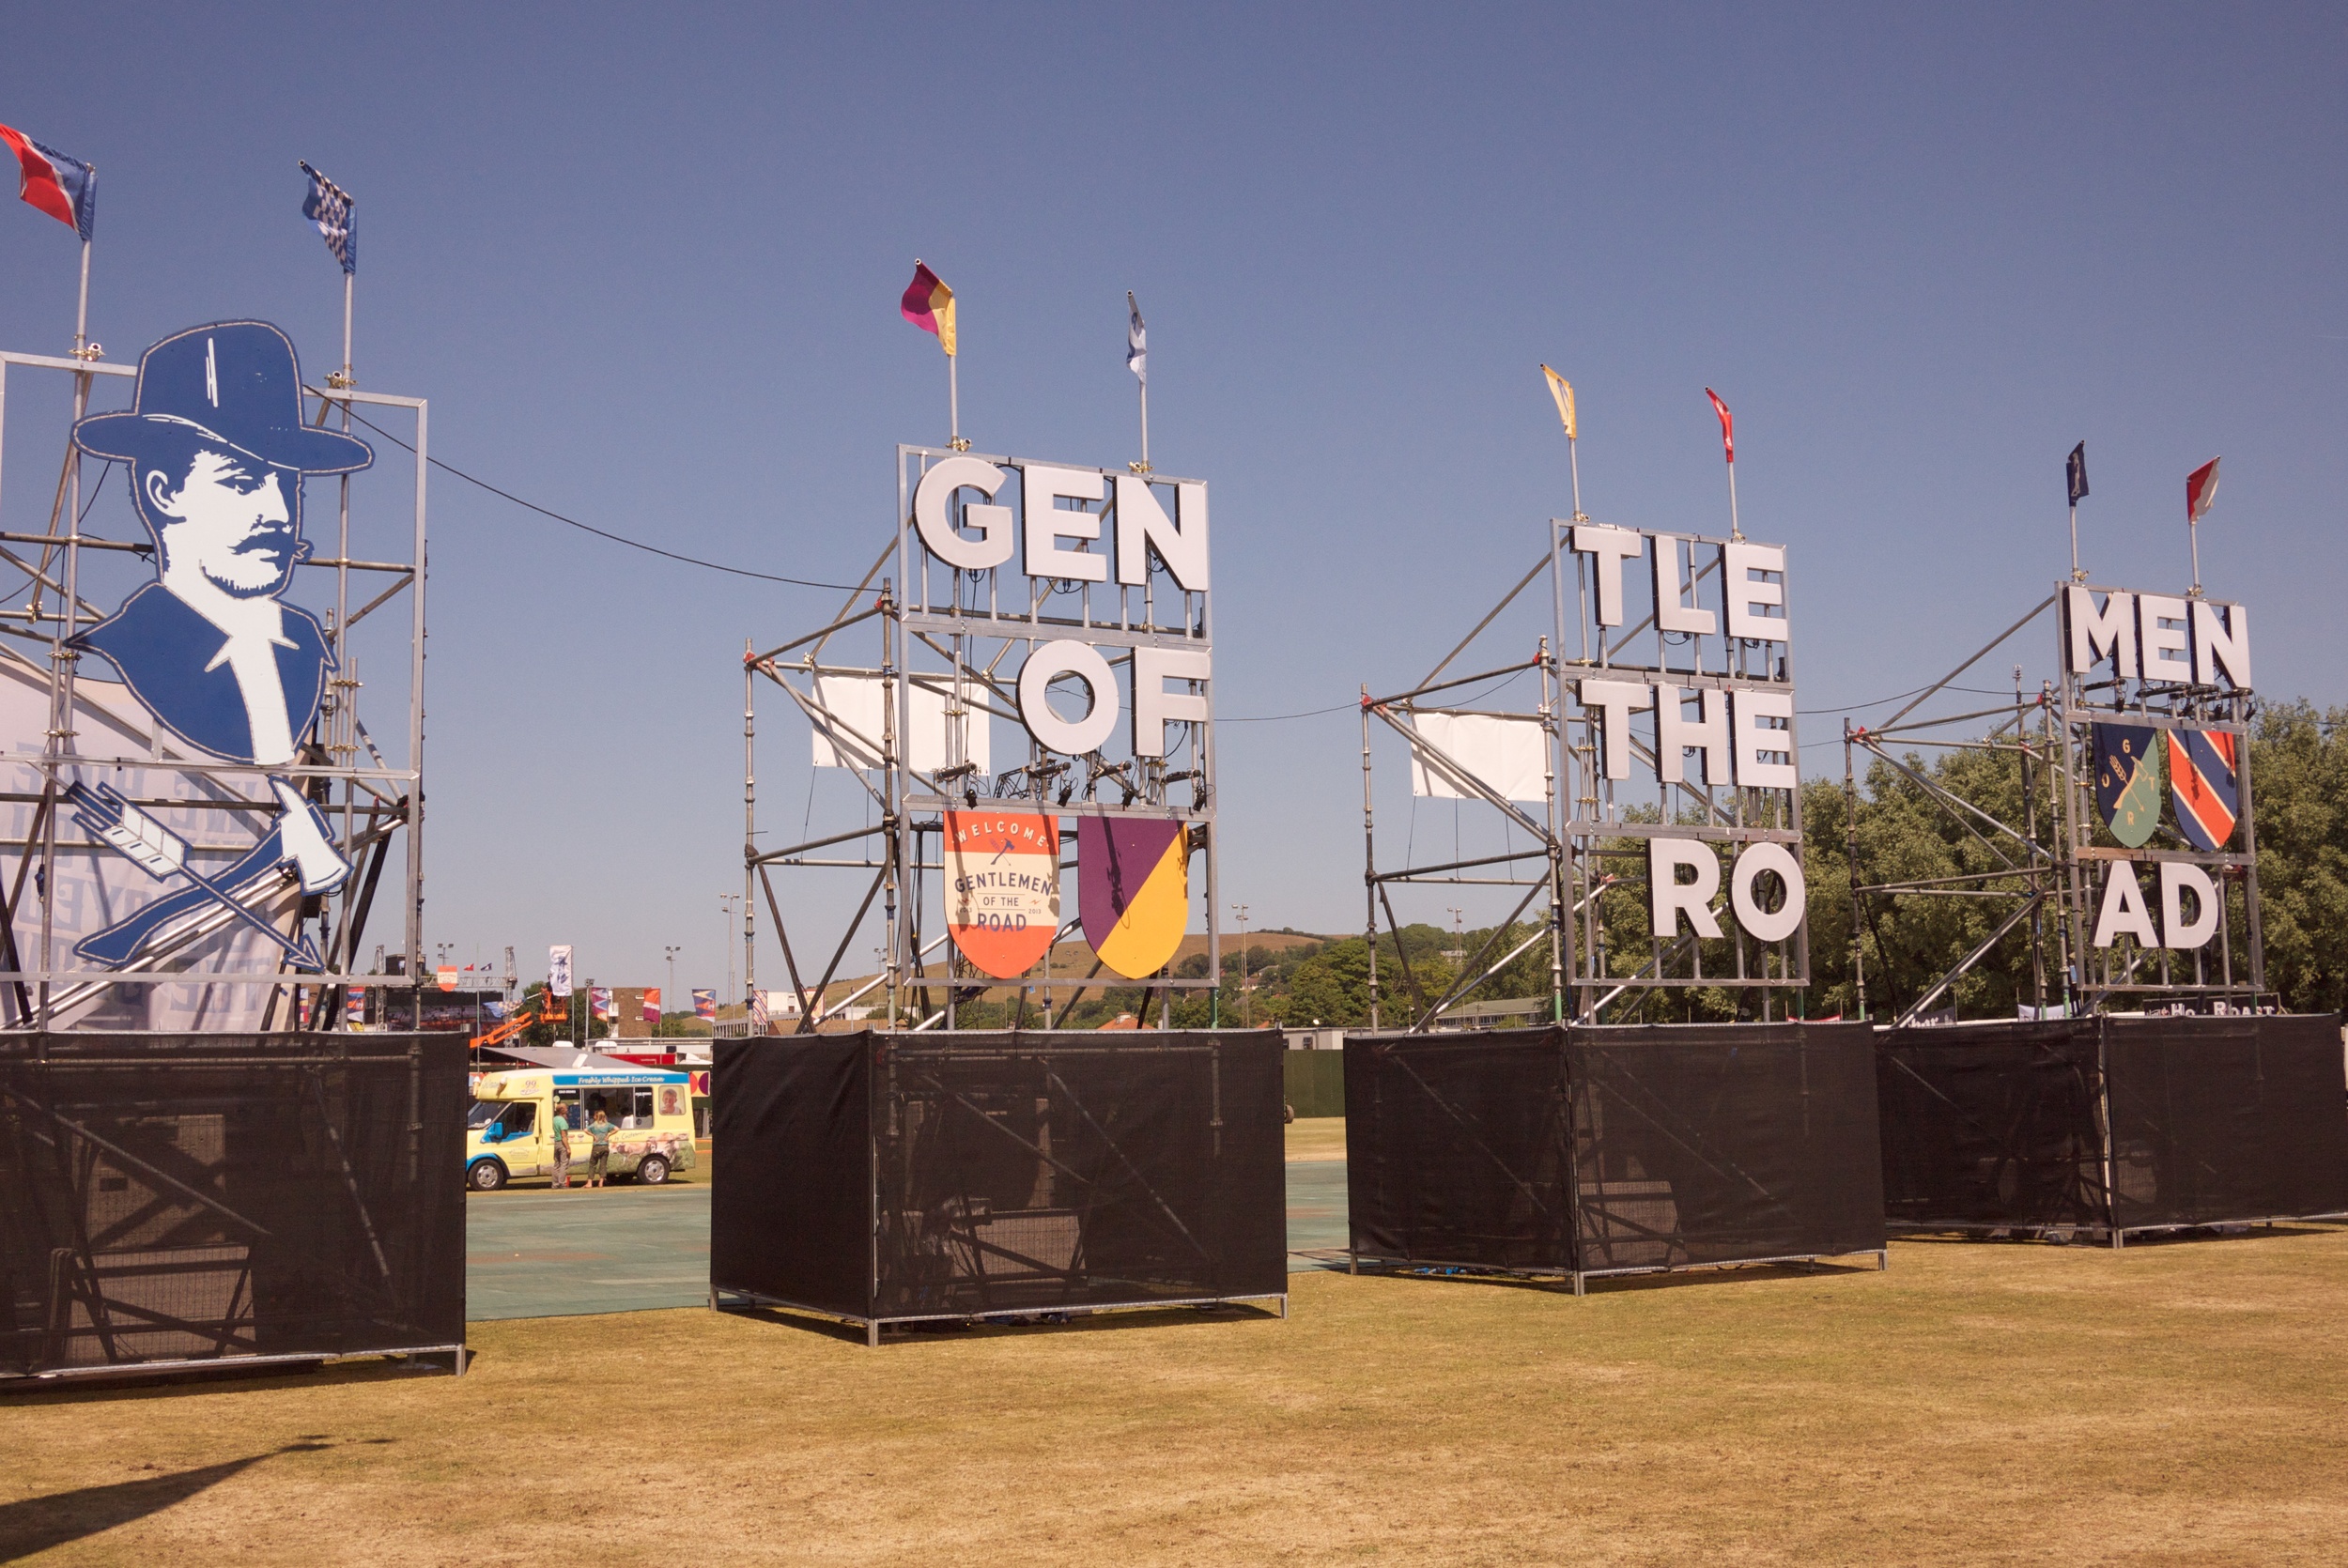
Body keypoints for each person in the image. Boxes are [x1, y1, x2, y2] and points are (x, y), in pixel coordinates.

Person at [67, 322, 375, 967]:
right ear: (161, 492)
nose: (276, 511)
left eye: (287, 483)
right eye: (239, 481)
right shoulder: (119, 657)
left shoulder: (304, 652)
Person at [586, 1108, 615, 1189]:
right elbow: (617, 1129)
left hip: (596, 1146)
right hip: (605, 1146)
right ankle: (601, 1182)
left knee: (592, 1164)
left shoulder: (594, 1125)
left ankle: (590, 1182)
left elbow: (585, 1130)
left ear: (597, 1116)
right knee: (603, 1164)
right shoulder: (607, 1125)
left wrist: (593, 1135)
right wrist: (609, 1134)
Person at [548, 1104, 572, 1189]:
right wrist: (568, 1148)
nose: (567, 1109)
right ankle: (562, 1183)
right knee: (564, 1163)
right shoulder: (562, 1121)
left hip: (556, 1143)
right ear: (562, 1110)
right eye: (566, 1108)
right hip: (562, 1143)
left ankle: (555, 1184)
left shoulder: (555, 1119)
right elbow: (563, 1136)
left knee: (557, 1164)